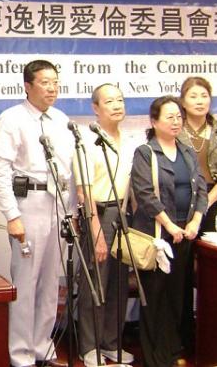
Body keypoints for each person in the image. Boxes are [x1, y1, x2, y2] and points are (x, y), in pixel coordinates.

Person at [0, 60, 75, 367]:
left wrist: (71, 210)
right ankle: (21, 353)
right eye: (45, 82)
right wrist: (12, 215)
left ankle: (42, 345)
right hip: (29, 205)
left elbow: (69, 171)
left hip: (57, 205)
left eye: (55, 81)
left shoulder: (62, 120)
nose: (52, 88)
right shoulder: (12, 119)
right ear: (28, 86)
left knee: (51, 282)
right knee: (26, 283)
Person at [130, 96, 207, 367]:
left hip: (185, 234)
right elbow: (145, 194)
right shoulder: (145, 152)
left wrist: (195, 221)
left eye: (178, 117)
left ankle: (174, 351)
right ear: (154, 122)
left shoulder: (187, 151)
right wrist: (170, 225)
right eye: (169, 117)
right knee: (155, 298)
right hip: (158, 236)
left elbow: (201, 189)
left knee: (177, 296)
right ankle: (155, 357)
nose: (176, 122)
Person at [74, 84, 136, 366]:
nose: (117, 105)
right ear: (95, 108)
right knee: (95, 283)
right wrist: (96, 230)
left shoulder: (131, 139)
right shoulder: (86, 141)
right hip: (98, 214)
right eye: (109, 101)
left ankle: (112, 342)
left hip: (124, 215)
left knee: (119, 284)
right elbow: (83, 191)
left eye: (120, 100)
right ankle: (89, 346)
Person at [177, 76, 217, 233]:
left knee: (214, 253)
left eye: (204, 96)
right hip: (183, 200)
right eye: (193, 96)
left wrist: (207, 201)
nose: (200, 101)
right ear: (183, 103)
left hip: (215, 199)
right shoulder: (175, 130)